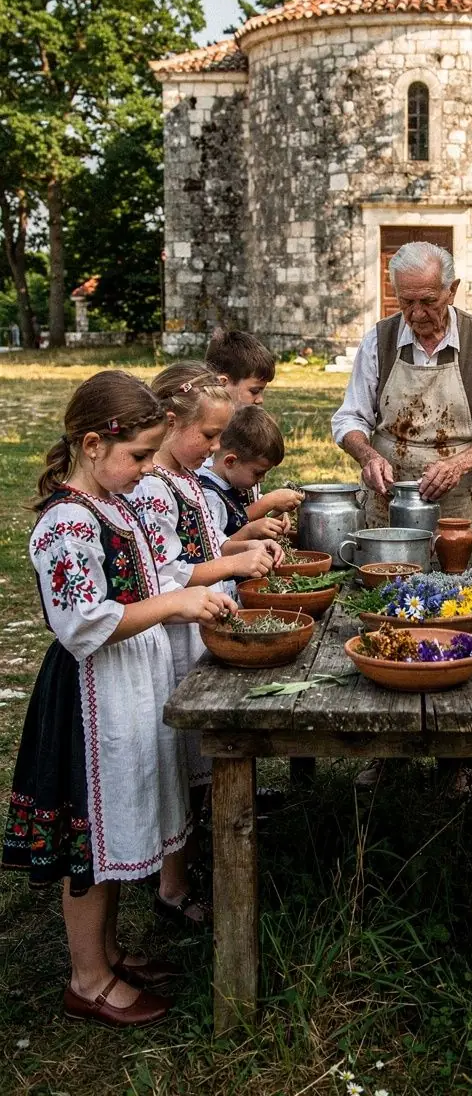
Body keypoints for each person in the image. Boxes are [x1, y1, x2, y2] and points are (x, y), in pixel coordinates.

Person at [1, 371, 234, 1028]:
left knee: (111, 832)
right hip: (89, 698)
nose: (143, 469)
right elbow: (80, 622)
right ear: (93, 443)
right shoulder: (67, 521)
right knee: (90, 843)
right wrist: (174, 603)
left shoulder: (114, 502)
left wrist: (186, 595)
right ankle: (88, 978)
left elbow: (151, 574)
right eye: (137, 456)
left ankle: (108, 955)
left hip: (127, 688)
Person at [130, 363, 280, 796]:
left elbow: (212, 543)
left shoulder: (185, 479)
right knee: (183, 728)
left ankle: (203, 815)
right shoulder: (153, 488)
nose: (216, 446)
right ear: (171, 423)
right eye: (210, 435)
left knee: (200, 734)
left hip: (203, 614)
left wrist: (246, 547)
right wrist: (235, 565)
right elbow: (169, 572)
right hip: (178, 624)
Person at [331, 242, 472, 545]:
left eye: (428, 301)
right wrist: (368, 456)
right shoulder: (379, 340)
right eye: (406, 302)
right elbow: (350, 417)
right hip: (389, 505)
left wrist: (458, 465)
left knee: (466, 587)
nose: (417, 313)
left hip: (462, 509)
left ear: (451, 290)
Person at [205, 327, 303, 524]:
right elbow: (218, 524)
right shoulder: (203, 448)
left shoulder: (241, 431)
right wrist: (268, 503)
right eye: (254, 390)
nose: (260, 400)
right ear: (222, 383)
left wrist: (268, 514)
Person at [197, 405, 288, 542]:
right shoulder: (209, 495)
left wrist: (273, 518)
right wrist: (251, 531)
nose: (262, 479)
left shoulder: (239, 483)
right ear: (230, 462)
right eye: (258, 473)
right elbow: (213, 549)